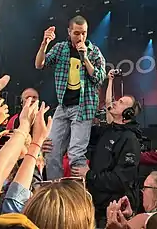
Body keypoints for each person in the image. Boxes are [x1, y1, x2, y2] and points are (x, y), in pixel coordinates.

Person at [35, 15, 106, 180]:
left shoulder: (94, 51)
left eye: (84, 33)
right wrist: (44, 43)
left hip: (83, 108)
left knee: (75, 154)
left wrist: (85, 57)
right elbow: (39, 64)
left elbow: (99, 78)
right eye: (76, 33)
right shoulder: (60, 49)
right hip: (63, 107)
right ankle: (55, 190)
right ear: (69, 31)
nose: (80, 37)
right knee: (51, 152)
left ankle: (77, 195)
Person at [72, 70, 142, 226]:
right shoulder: (106, 131)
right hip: (94, 208)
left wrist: (89, 174)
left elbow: (120, 180)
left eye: (122, 102)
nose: (116, 102)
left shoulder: (130, 140)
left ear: (128, 113)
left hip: (113, 213)